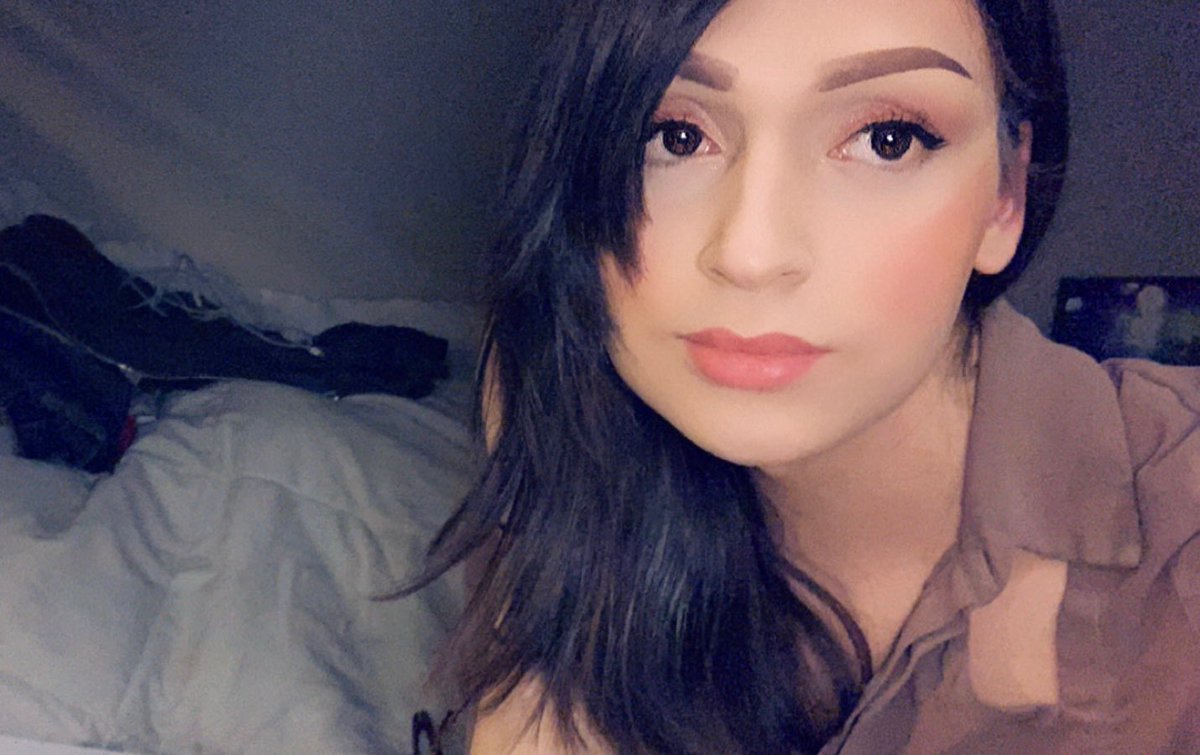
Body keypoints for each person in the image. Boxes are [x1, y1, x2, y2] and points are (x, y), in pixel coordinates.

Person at [404, 0, 1200, 751]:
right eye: (674, 136)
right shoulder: (570, 438)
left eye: (887, 139)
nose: (751, 253)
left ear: (1005, 196)